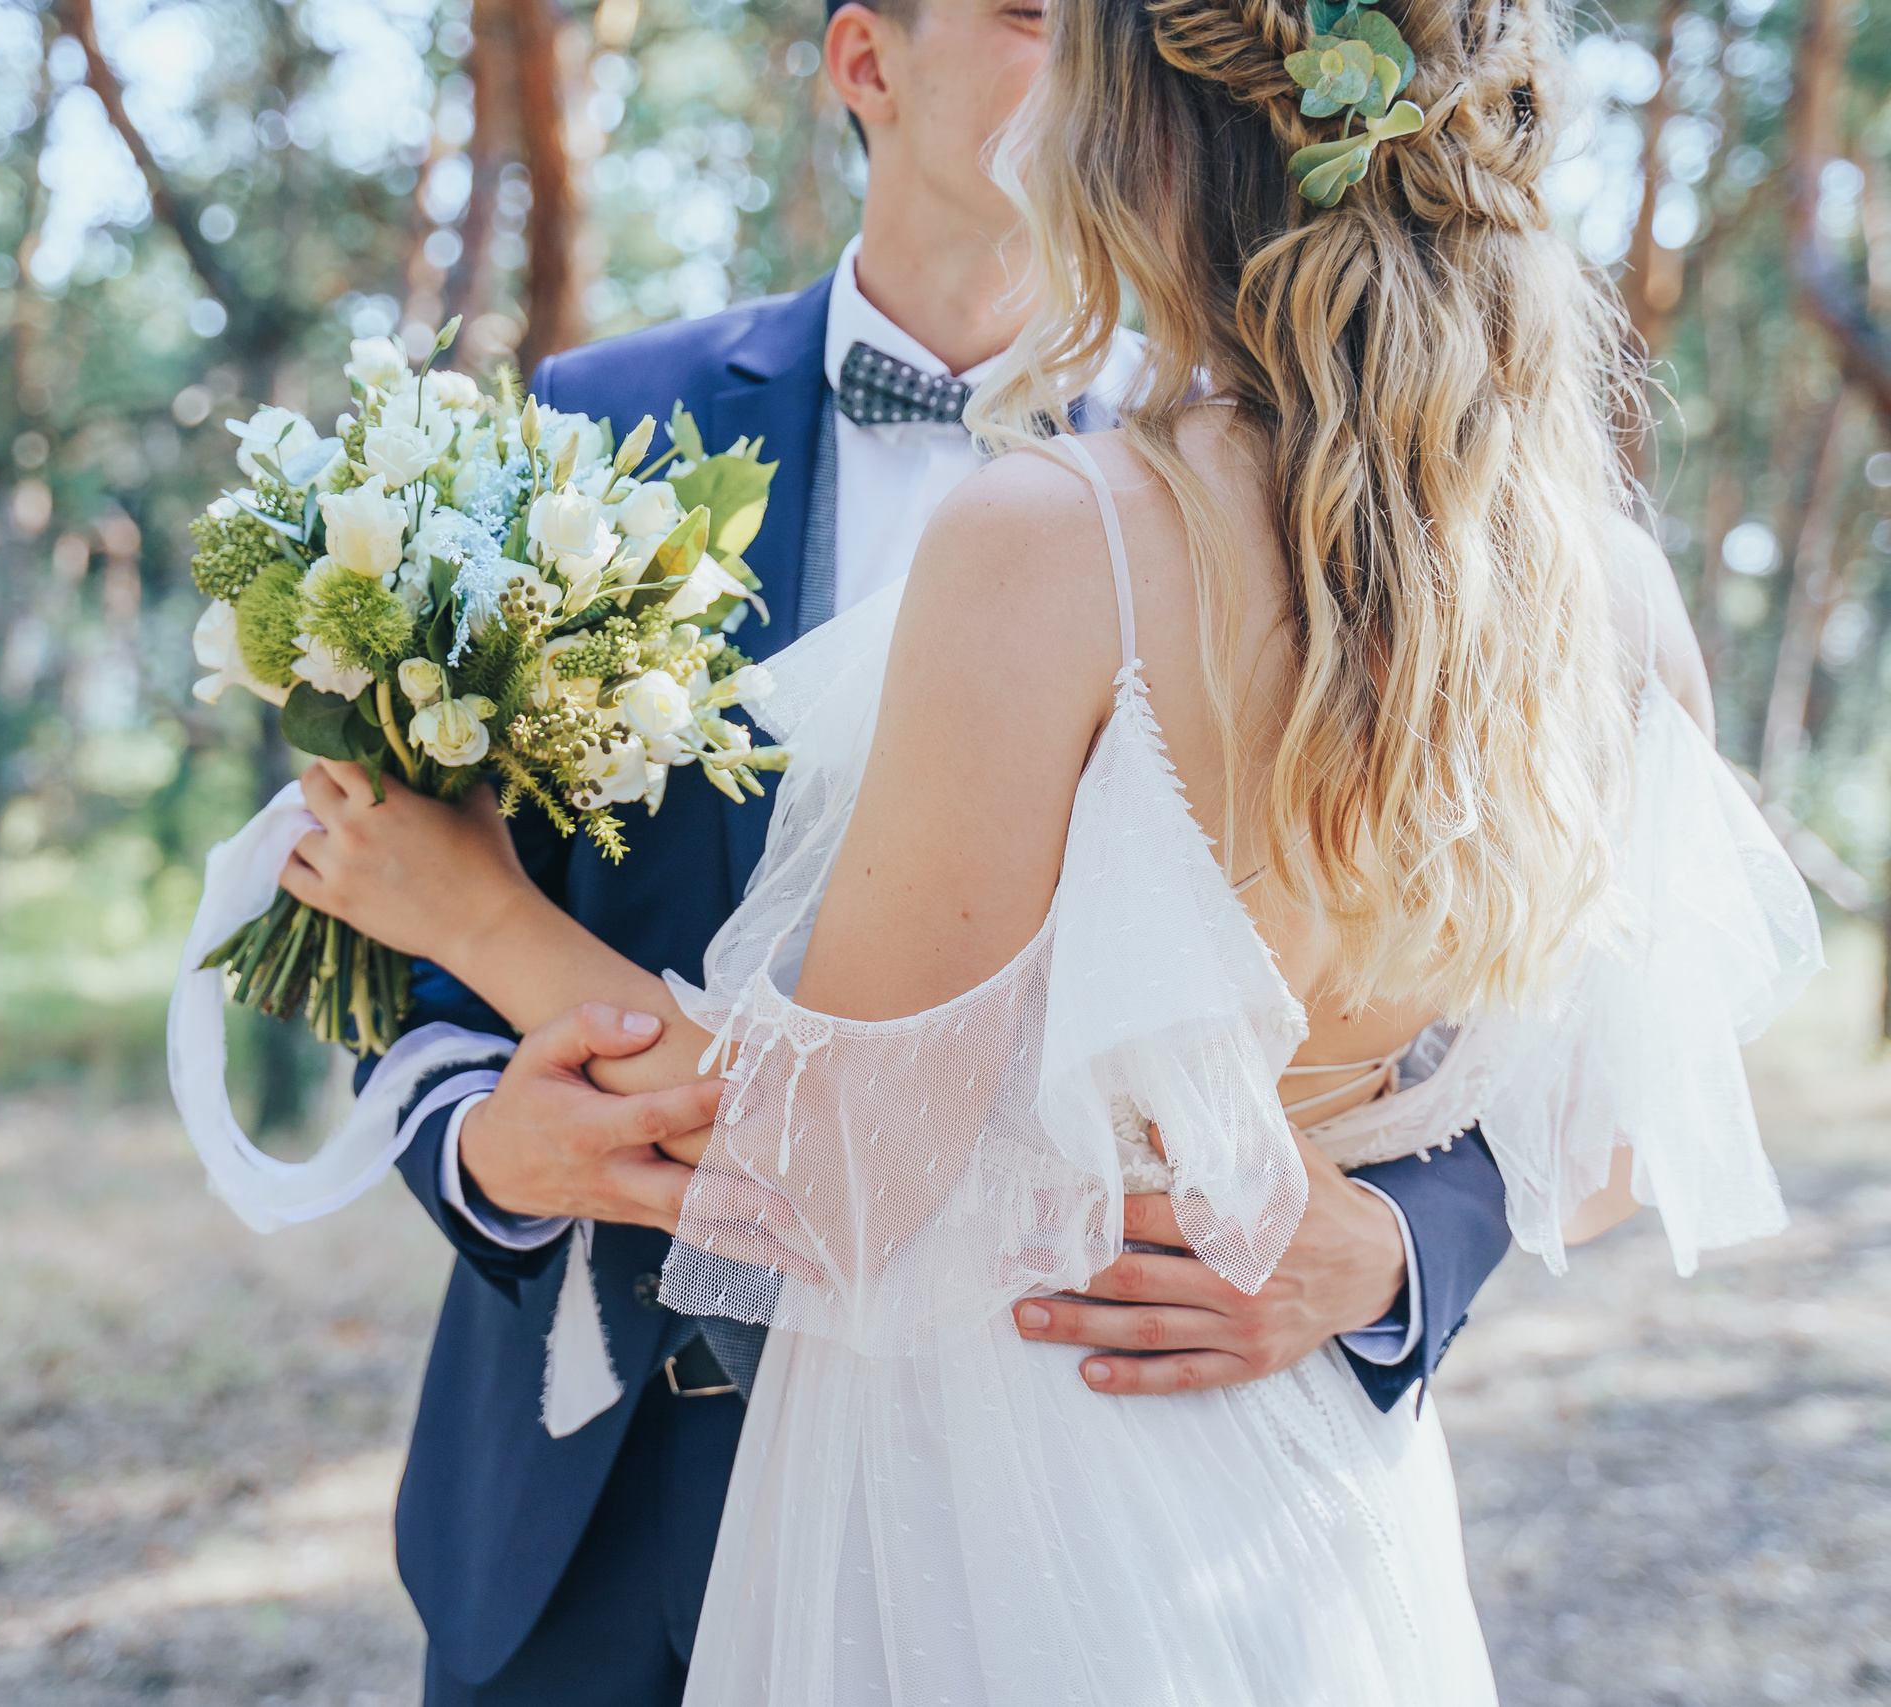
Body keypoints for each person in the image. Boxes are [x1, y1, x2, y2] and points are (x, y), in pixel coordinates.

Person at [281, 0, 1586, 1698]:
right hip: (591, 1478)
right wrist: (483, 1148)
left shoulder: (1330, 497)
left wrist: (1400, 1246)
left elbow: (1536, 1017)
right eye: (1039, 15)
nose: (1092, 60)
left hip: (1072, 1481)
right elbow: (404, 889)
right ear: (867, 65)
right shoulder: (592, 426)